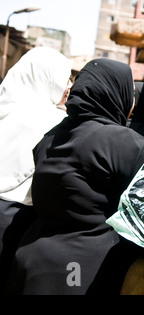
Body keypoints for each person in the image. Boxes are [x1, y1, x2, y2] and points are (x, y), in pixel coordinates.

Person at [5, 59, 144, 295]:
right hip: (81, 273)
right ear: (117, 93)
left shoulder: (50, 137)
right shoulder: (123, 143)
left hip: (30, 261)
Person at [0, 47, 73, 290]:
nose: (69, 85)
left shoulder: (6, 105)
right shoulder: (54, 122)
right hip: (16, 220)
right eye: (65, 78)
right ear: (46, 78)